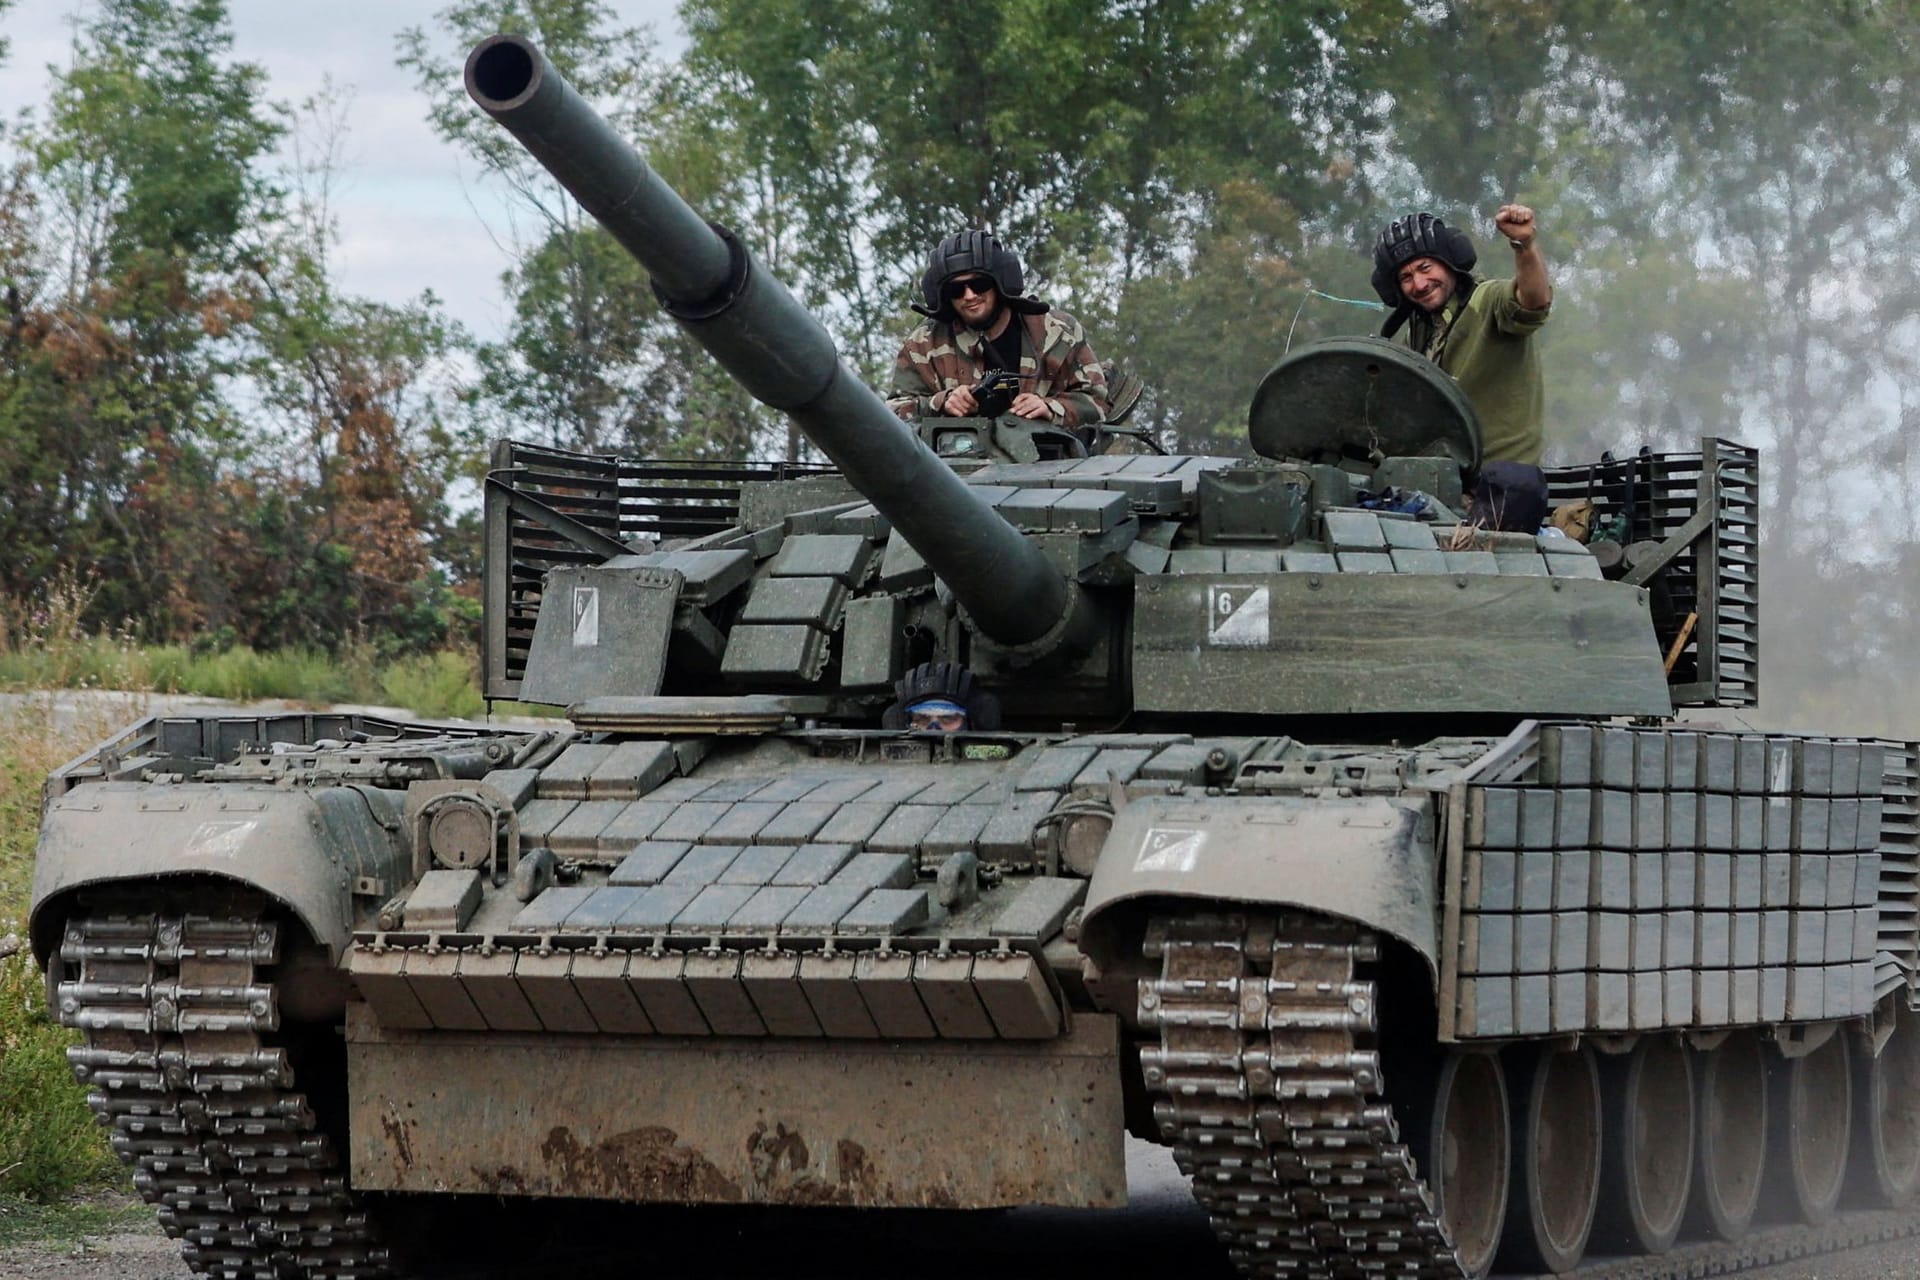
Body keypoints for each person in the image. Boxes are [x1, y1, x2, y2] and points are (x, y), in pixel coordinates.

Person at [1371, 206, 1553, 468]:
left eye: (1425, 267)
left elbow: (1533, 302)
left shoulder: (1488, 301)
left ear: (1449, 263)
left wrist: (1525, 245)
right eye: (1406, 277)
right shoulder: (1418, 335)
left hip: (1503, 478)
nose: (1420, 284)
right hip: (1444, 477)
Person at [887, 230, 1110, 431]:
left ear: (999, 282)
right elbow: (892, 413)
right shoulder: (924, 344)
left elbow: (1098, 404)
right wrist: (942, 402)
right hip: (957, 468)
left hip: (1047, 463)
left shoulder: (1059, 334)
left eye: (980, 284)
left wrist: (1050, 408)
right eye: (956, 289)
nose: (970, 295)